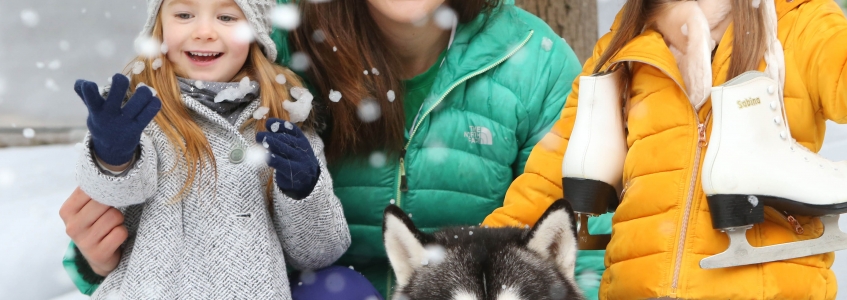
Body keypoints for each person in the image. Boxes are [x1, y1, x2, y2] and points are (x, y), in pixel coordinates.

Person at [63, 0, 602, 298]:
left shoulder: (534, 59)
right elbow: (169, 144)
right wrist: (98, 250)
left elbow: (586, 240)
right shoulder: (273, 43)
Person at [482, 0, 847, 298]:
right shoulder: (626, 46)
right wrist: (484, 250)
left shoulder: (795, 23)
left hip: (767, 287)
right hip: (641, 287)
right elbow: (556, 169)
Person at [61, 0, 351, 298]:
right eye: (184, 14)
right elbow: (111, 204)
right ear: (158, 28)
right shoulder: (137, 113)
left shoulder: (283, 116)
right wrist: (112, 159)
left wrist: (303, 190)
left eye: (226, 17)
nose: (204, 32)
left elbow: (318, 253)